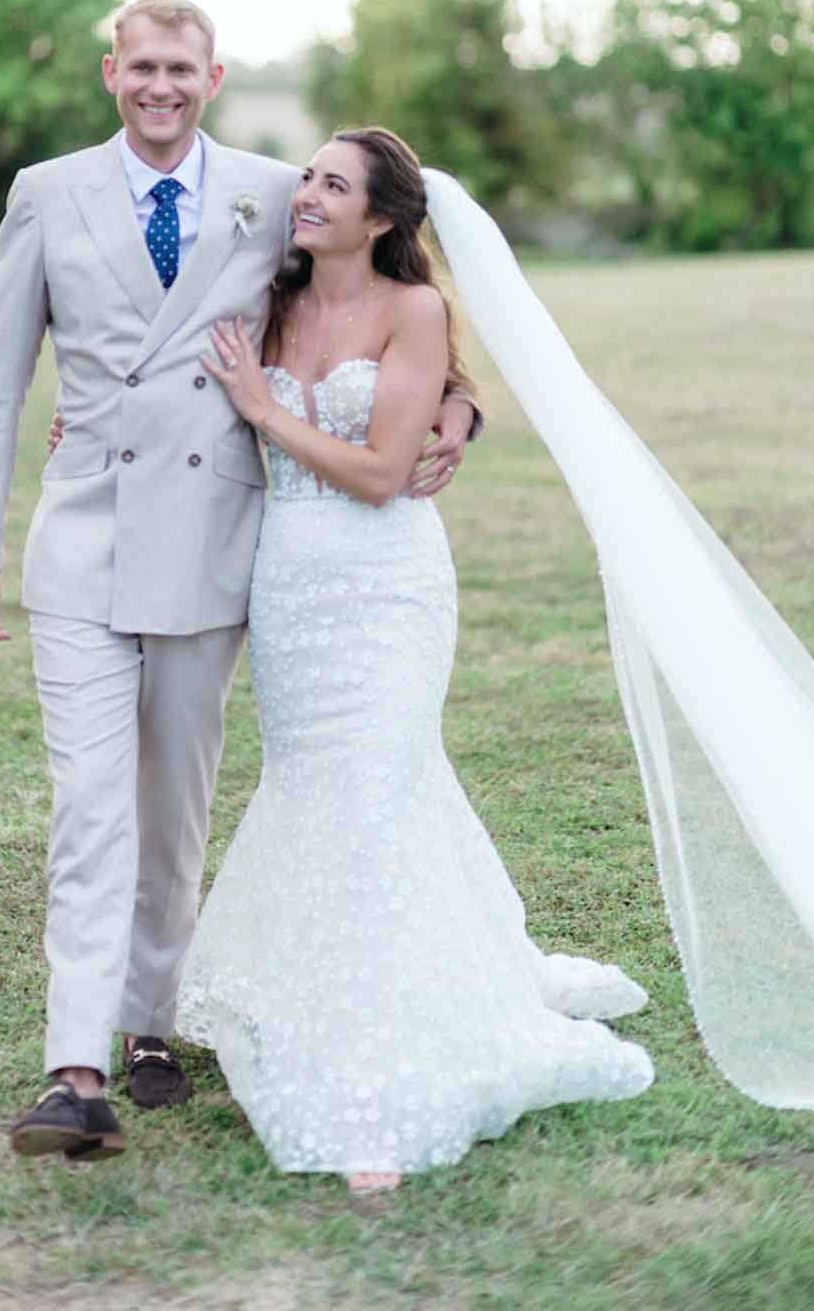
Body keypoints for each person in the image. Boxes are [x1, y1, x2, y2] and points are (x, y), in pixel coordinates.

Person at [0, 0, 479, 1163]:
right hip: (82, 538)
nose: (159, 85)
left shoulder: (272, 189)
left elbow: (385, 284)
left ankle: (153, 1022)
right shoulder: (46, 192)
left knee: (174, 801)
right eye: (140, 65)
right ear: (110, 71)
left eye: (180, 67)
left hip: (212, 541)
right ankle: (75, 1065)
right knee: (90, 802)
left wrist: (459, 400)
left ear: (214, 75)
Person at [177, 126, 654, 1192]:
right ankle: (382, 982)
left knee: (371, 796)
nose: (306, 193)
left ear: (383, 218)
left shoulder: (415, 306)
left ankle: (369, 1074)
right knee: (327, 791)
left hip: (388, 587)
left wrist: (274, 407)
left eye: (332, 183)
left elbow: (385, 470)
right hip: (290, 589)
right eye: (306, 174)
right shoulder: (273, 291)